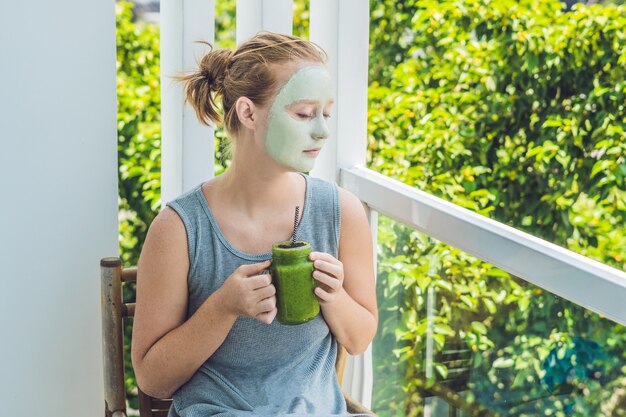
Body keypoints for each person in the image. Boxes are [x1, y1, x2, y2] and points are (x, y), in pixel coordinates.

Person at [131, 31, 378, 417]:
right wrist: (223, 308)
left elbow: (360, 338)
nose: (322, 131)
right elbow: (152, 379)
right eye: (303, 113)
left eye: (325, 114)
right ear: (248, 113)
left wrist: (334, 296)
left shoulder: (342, 212)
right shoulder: (178, 228)